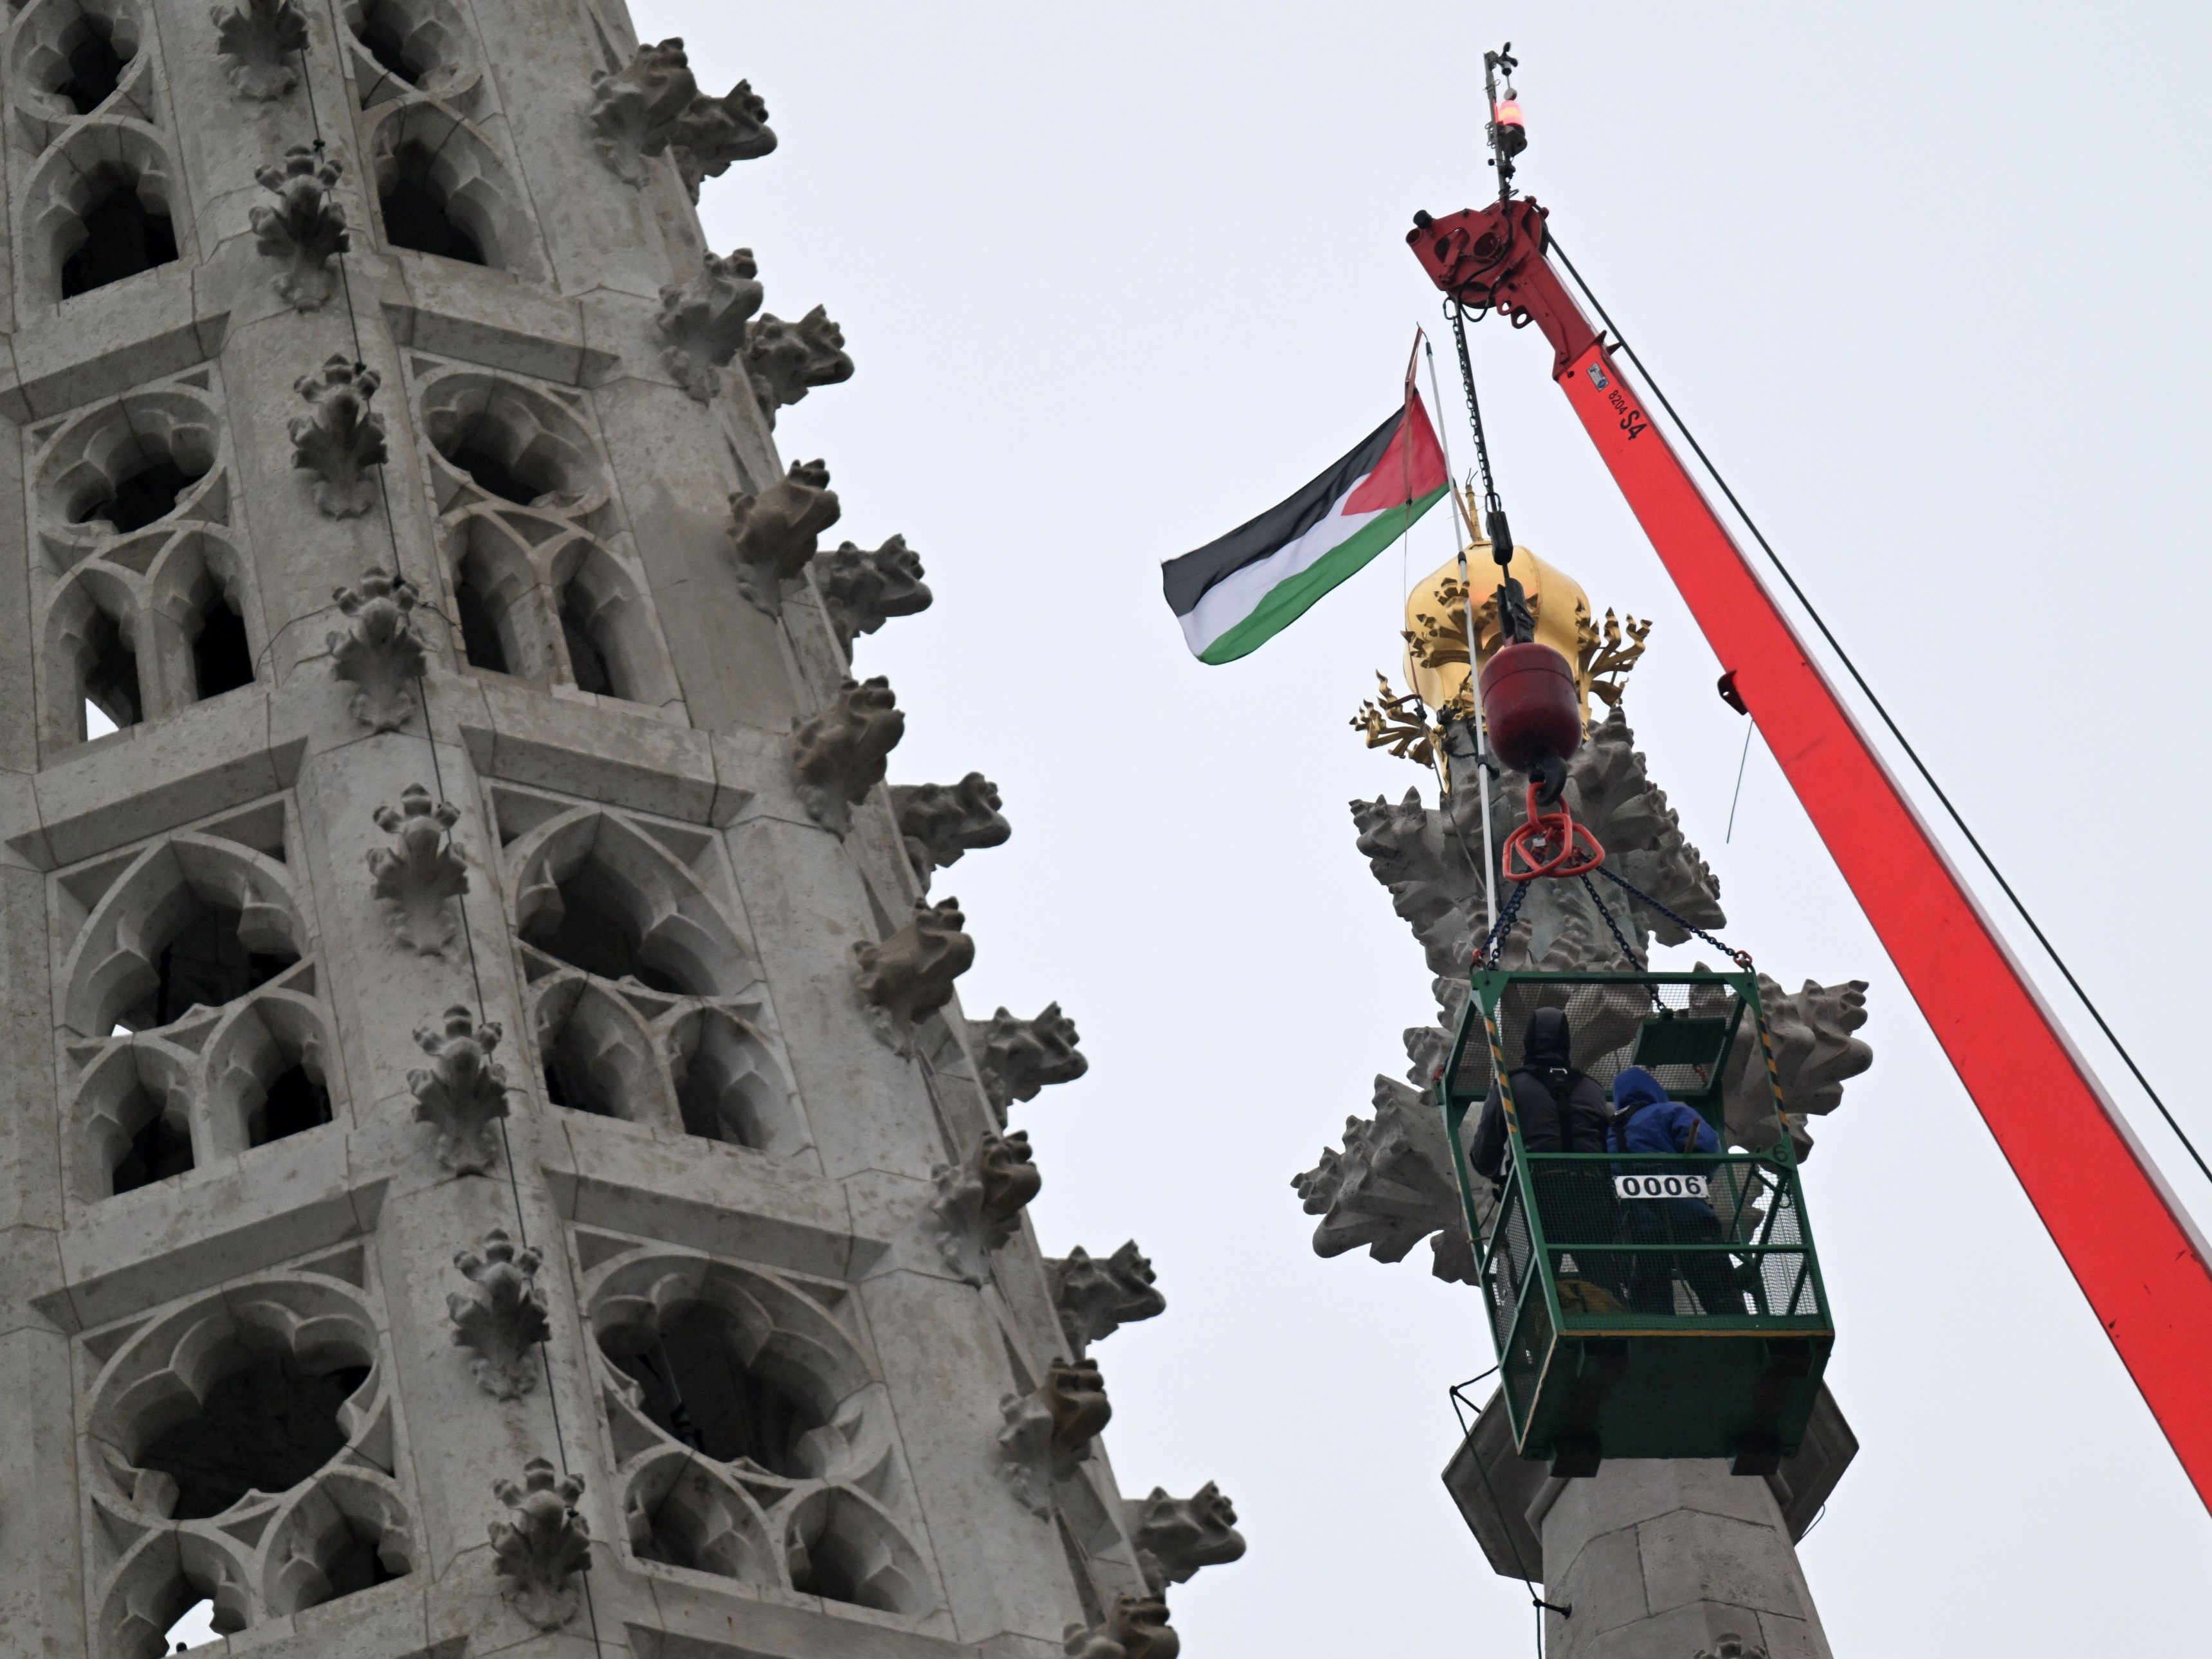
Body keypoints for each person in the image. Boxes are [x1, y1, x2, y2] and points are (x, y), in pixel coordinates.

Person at [1608, 1066, 1746, 1317]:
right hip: (1688, 1213)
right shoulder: (1671, 1111)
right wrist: (1697, 1169)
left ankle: (1657, 1328)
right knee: (1716, 1282)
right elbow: (1704, 1145)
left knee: (1651, 1294)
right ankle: (1735, 1320)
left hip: (1640, 1223)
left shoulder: (1611, 1132)